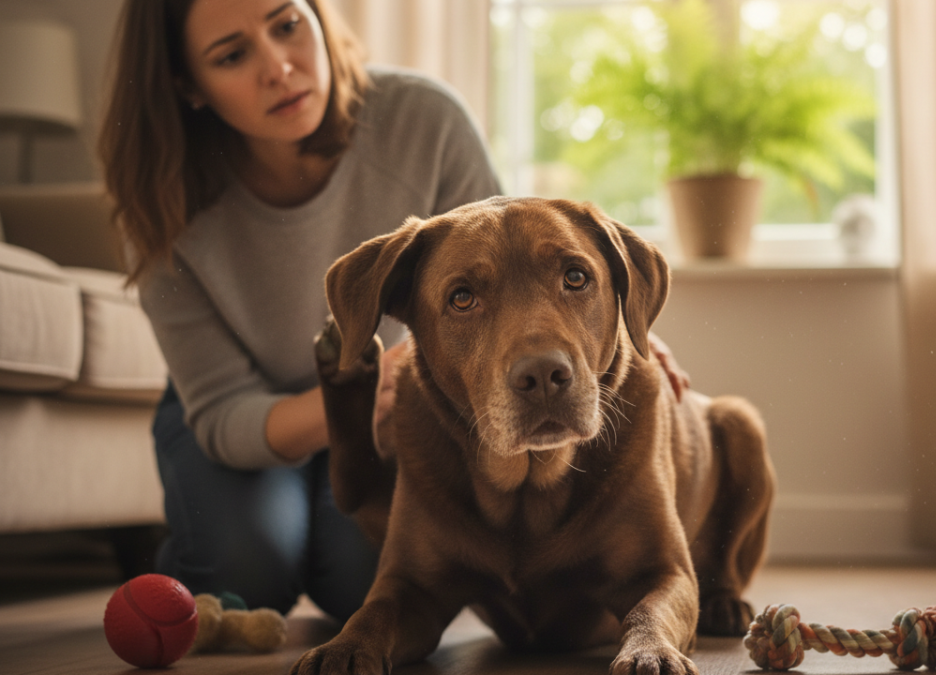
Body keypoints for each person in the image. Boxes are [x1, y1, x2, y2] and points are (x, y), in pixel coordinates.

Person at [99, 0, 689, 624]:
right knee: (248, 569)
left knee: (371, 580)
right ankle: (187, 538)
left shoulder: (422, 118)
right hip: (248, 418)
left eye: (287, 24)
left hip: (385, 411)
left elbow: (512, 267)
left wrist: (621, 333)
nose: (279, 66)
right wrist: (357, 396)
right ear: (187, 84)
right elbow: (220, 413)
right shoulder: (160, 202)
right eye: (233, 55)